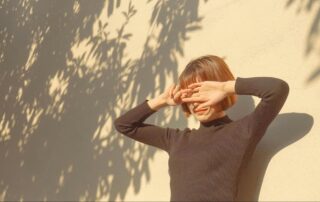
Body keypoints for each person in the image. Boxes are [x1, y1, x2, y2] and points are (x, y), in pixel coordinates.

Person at [113, 55, 289, 201]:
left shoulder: (242, 131)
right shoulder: (176, 139)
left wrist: (225, 86)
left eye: (202, 93)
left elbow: (277, 90)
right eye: (189, 96)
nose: (196, 102)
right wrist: (161, 101)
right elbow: (124, 125)